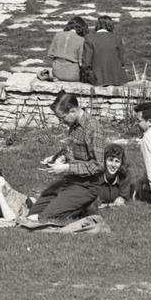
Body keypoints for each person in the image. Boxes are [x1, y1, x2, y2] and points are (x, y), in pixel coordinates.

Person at [24, 93, 103, 225]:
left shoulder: (93, 128)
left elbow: (98, 165)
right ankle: (77, 205)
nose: (61, 122)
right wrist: (56, 158)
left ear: (73, 111)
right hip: (70, 181)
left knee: (44, 218)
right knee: (33, 213)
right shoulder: (74, 125)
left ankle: (85, 206)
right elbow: (73, 152)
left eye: (62, 118)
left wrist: (66, 168)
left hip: (87, 185)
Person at [94, 143, 140, 208]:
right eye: (110, 160)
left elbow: (124, 196)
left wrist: (121, 198)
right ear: (104, 161)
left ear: (121, 163)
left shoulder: (125, 176)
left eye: (117, 161)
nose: (113, 165)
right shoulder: (96, 175)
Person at [47, 16, 91, 83]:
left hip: (56, 73)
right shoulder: (81, 40)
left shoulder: (57, 35)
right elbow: (81, 63)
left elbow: (50, 54)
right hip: (73, 75)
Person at [87, 15, 126, 86]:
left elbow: (86, 62)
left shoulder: (89, 38)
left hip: (97, 79)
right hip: (115, 79)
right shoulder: (117, 38)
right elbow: (122, 61)